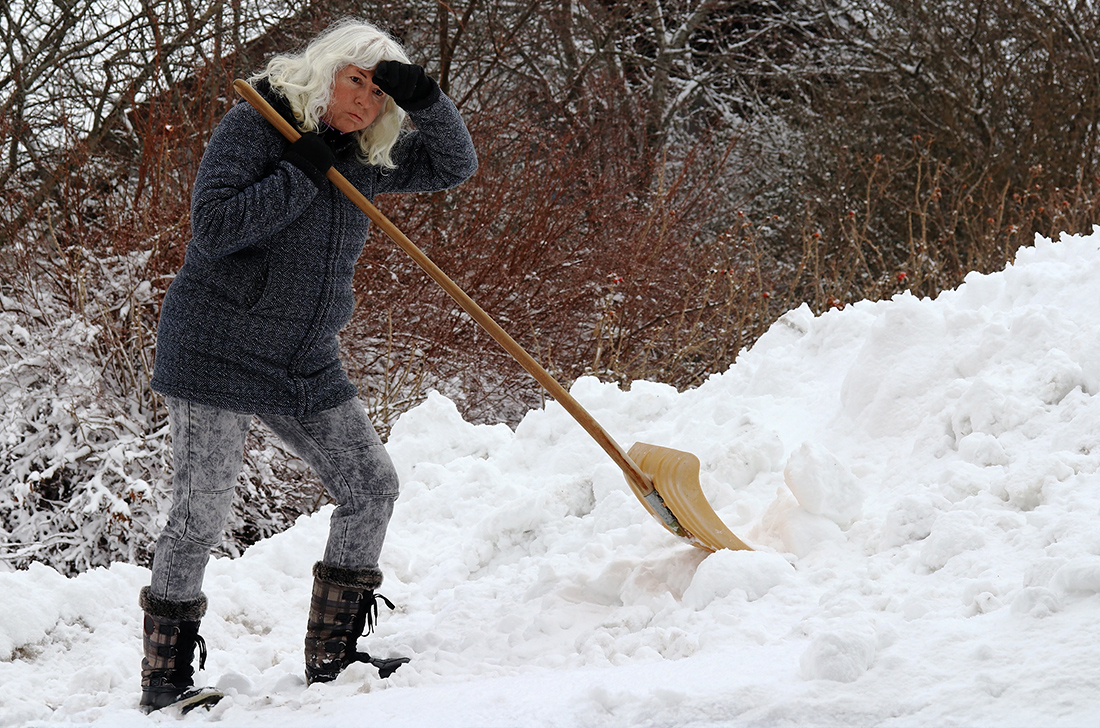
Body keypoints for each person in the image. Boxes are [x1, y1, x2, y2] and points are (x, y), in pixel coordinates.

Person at [137, 18, 478, 713]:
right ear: (325, 70)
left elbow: (453, 166)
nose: (365, 102)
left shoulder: (365, 155)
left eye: (380, 95)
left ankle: (333, 656)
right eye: (357, 81)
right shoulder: (254, 126)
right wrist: (299, 171)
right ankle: (164, 683)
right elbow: (216, 228)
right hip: (216, 347)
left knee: (372, 486)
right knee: (201, 509)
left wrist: (427, 101)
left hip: (303, 359)